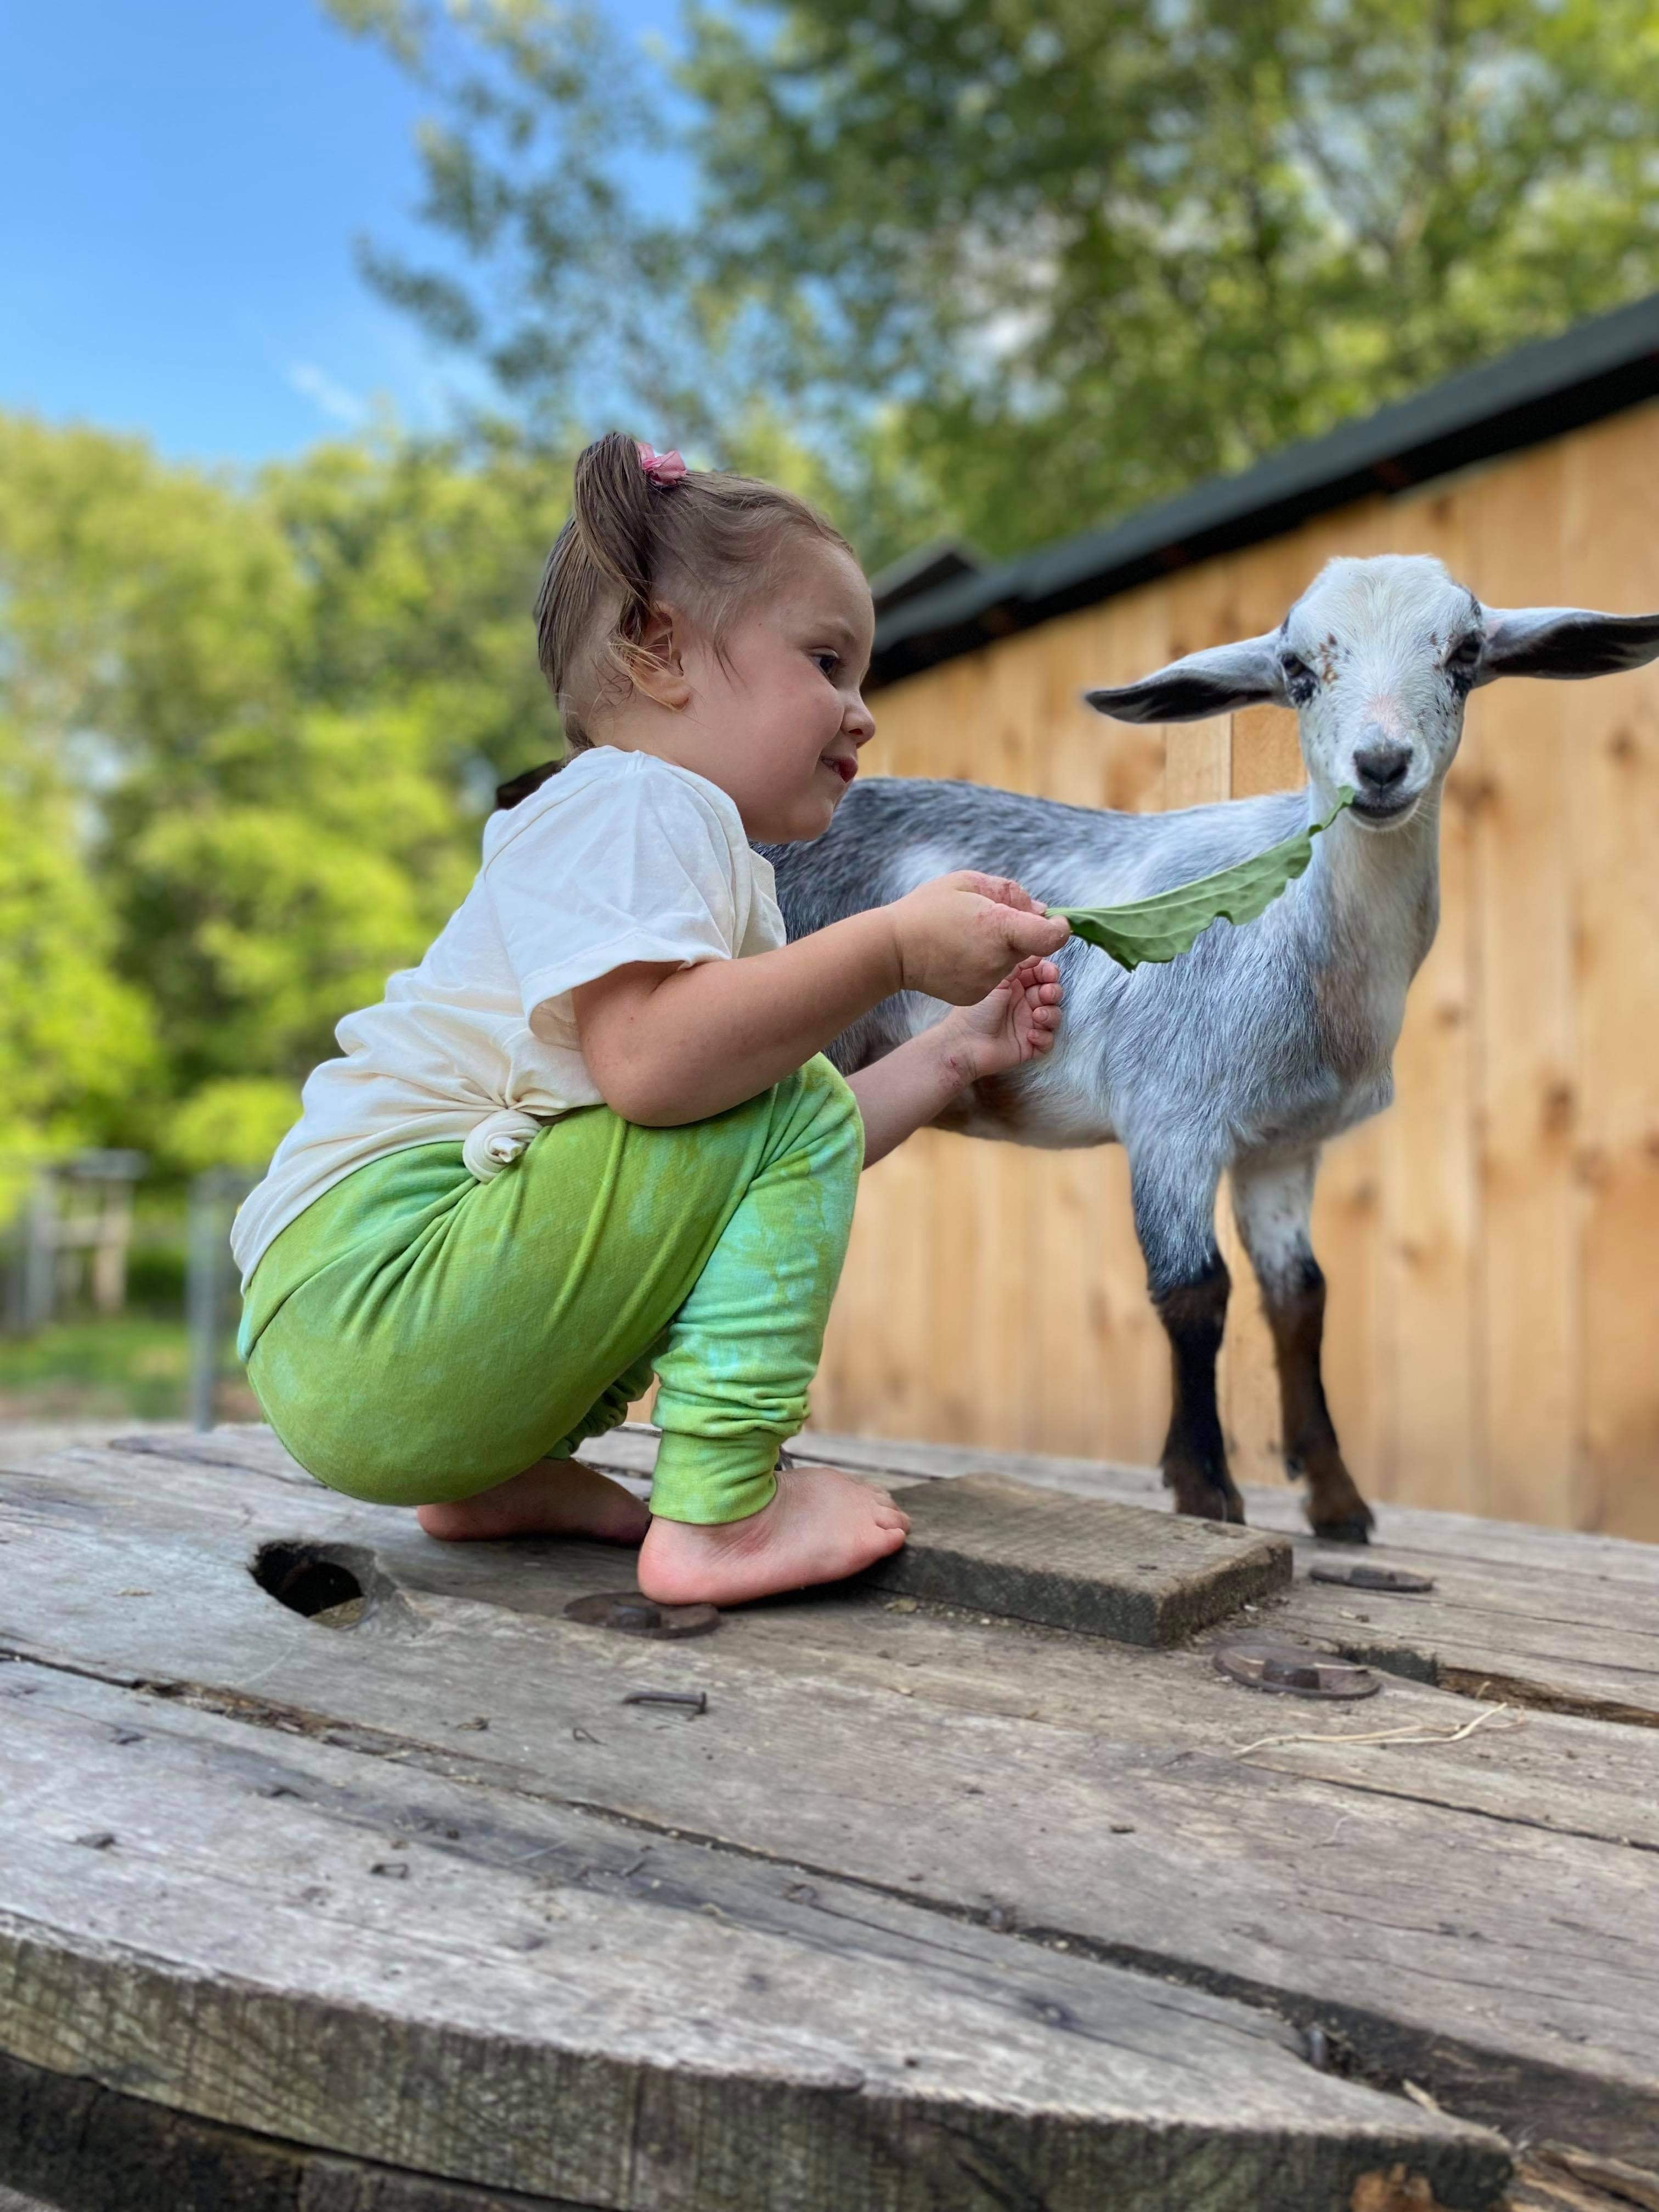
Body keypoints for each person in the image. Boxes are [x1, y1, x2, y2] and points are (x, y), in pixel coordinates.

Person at [232, 432, 1067, 1606]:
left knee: (759, 1122)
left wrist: (952, 1052)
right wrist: (887, 945)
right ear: (659, 648)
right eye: (829, 661)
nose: (862, 712)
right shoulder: (640, 801)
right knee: (761, 1102)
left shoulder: (694, 862)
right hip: (376, 1285)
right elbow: (656, 1073)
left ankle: (498, 1474)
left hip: (380, 1343)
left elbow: (763, 1145)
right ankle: (723, 1513)